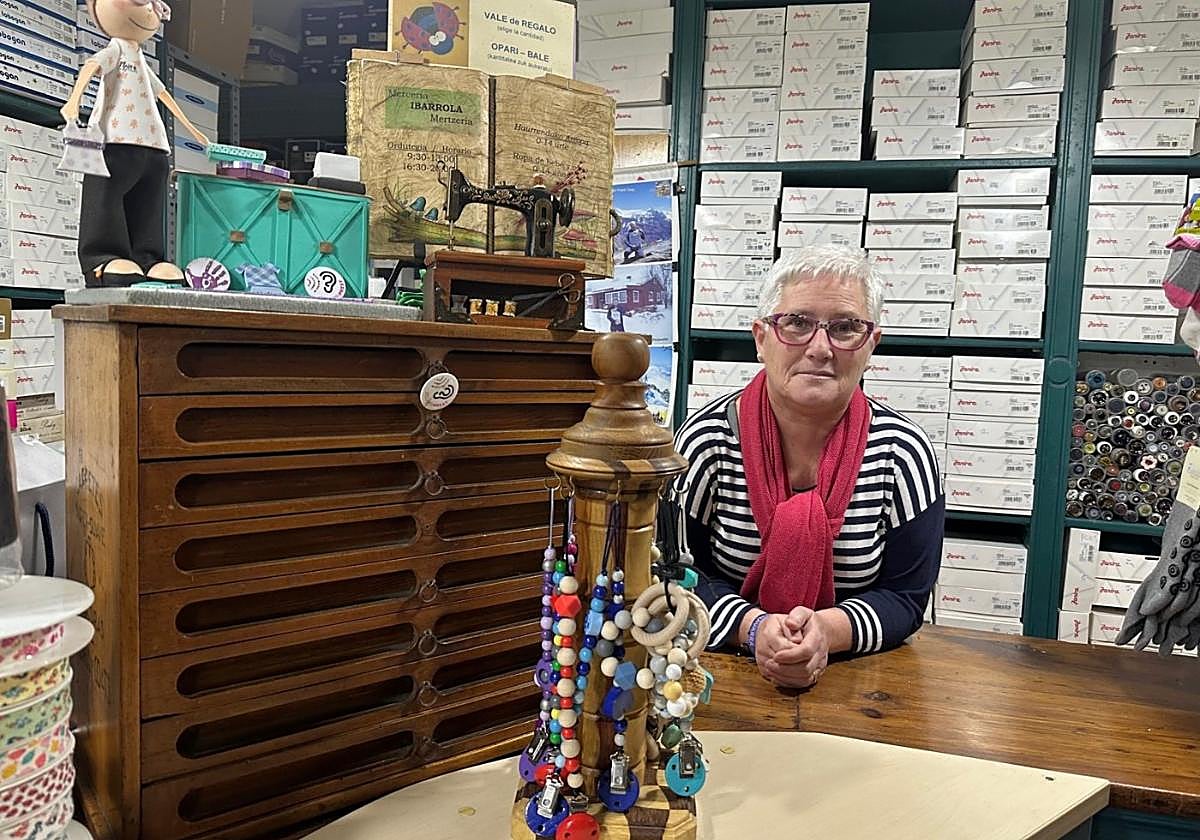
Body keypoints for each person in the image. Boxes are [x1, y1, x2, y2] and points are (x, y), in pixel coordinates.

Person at [673, 245, 943, 689]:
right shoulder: (707, 441)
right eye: (797, 323)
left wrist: (826, 633)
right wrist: (753, 628)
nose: (820, 348)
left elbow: (907, 596)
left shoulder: (902, 452)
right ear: (761, 338)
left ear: (871, 343)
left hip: (860, 683)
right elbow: (676, 576)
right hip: (715, 678)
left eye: (845, 327)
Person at [61, 0, 211, 287]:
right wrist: (73, 102)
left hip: (153, 143)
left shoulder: (141, 59)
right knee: (106, 197)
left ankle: (148, 258)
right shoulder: (115, 50)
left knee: (149, 201)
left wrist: (193, 130)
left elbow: (163, 95)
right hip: (114, 138)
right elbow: (91, 67)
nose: (148, 12)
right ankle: (101, 259)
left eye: (154, 7)